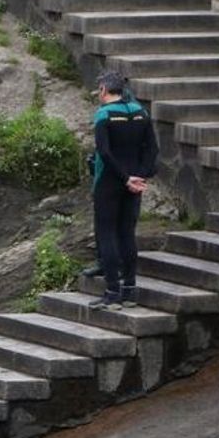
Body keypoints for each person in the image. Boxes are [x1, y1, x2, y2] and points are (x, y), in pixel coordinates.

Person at [89, 70, 157, 310]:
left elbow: (104, 152)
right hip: (135, 182)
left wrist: (125, 178)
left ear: (104, 90)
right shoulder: (141, 112)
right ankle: (130, 290)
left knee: (107, 233)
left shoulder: (103, 115)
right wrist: (140, 176)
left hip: (109, 181)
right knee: (127, 233)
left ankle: (112, 293)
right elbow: (152, 149)